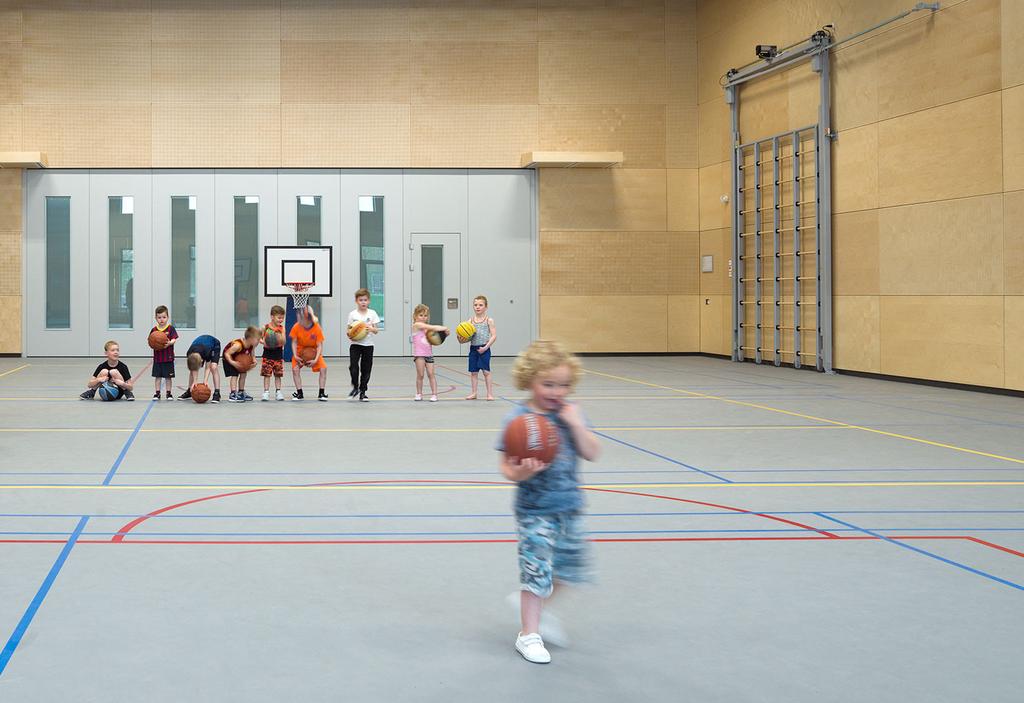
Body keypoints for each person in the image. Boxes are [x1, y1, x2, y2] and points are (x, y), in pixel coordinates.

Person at [497, 340, 601, 664]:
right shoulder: (518, 419)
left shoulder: (572, 414)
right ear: (529, 380)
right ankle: (528, 634)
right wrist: (521, 472)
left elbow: (592, 452)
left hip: (569, 506)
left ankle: (534, 606)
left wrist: (576, 423)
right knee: (537, 573)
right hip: (535, 511)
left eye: (564, 385)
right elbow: (505, 468)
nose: (557, 391)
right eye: (548, 384)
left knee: (569, 572)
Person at [347, 288, 380, 402]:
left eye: (365, 300)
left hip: (368, 345)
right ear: (356, 301)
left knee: (366, 369)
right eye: (361, 300)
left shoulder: (372, 313)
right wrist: (350, 334)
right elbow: (349, 330)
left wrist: (370, 328)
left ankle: (363, 391)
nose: (363, 302)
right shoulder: (352, 314)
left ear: (369, 301)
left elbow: (376, 330)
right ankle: (355, 386)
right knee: (353, 367)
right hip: (355, 344)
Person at [410, 304, 448, 402]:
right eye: (421, 315)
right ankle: (419, 393)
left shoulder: (429, 329)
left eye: (425, 316)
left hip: (429, 354)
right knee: (420, 375)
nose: (423, 318)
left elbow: (436, 339)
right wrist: (443, 328)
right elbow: (433, 327)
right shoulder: (416, 325)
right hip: (419, 355)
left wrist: (445, 334)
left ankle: (434, 394)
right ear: (415, 316)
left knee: (431, 374)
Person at [290, 306, 328, 401]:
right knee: (295, 370)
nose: (298, 317)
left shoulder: (317, 328)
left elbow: (319, 345)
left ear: (307, 318)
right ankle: (299, 393)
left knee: (323, 369)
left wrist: (315, 359)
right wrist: (295, 355)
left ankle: (321, 393)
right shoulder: (296, 327)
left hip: (314, 351)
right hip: (299, 351)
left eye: (300, 316)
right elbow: (294, 342)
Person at [466, 295, 497, 401]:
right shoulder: (470, 321)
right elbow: (467, 336)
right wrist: (461, 337)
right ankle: (474, 393)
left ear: (486, 307)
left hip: (484, 348)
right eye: (475, 305)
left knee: (486, 372)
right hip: (473, 349)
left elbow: (494, 336)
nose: (477, 307)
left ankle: (489, 394)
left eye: (480, 305)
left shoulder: (489, 320)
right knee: (474, 372)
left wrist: (485, 347)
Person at [180, 334, 222, 403]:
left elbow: (207, 368)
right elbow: (193, 367)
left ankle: (217, 393)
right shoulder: (189, 353)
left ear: (202, 360)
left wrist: (205, 381)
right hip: (200, 344)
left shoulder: (207, 352)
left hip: (214, 344)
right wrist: (195, 381)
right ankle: (189, 390)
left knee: (213, 367)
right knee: (192, 368)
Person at [222, 326, 259, 402]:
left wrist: (254, 360)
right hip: (228, 358)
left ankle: (241, 392)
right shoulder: (238, 345)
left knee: (243, 373)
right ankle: (232, 394)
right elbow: (227, 353)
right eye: (257, 339)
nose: (259, 341)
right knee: (235, 375)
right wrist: (232, 362)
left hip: (238, 358)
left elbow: (252, 353)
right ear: (250, 339)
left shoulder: (251, 345)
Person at [150, 305, 178, 401]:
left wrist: (170, 343)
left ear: (167, 317)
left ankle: (168, 393)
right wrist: (154, 344)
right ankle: (157, 393)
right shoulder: (154, 330)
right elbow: (150, 341)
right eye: (159, 317)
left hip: (168, 358)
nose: (161, 319)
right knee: (157, 377)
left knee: (168, 377)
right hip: (158, 358)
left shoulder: (170, 329)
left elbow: (174, 338)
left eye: (164, 317)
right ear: (156, 318)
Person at [260, 305, 286, 401]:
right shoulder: (265, 327)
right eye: (279, 317)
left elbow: (284, 341)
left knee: (278, 374)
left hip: (278, 354)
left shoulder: (282, 328)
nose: (281, 320)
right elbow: (259, 338)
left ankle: (278, 391)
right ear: (272, 316)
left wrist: (279, 339)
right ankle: (266, 392)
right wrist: (265, 342)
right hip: (267, 354)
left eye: (282, 318)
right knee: (267, 374)